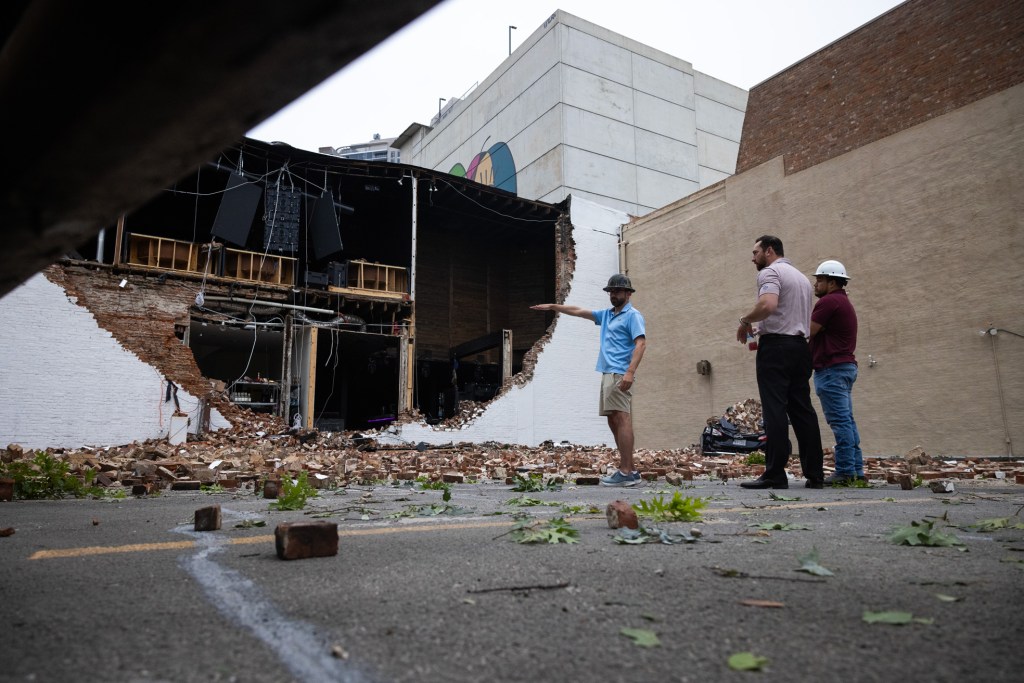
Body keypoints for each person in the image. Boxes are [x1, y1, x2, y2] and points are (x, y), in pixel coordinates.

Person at [531, 274, 647, 487]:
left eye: (617, 291)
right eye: (611, 291)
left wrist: (630, 372)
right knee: (613, 419)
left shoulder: (633, 316)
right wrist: (554, 307)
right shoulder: (608, 315)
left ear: (628, 294)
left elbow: (640, 344)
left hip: (619, 372)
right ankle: (628, 468)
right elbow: (578, 311)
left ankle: (627, 471)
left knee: (622, 418)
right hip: (608, 373)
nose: (613, 294)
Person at [735, 236, 824, 489]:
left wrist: (744, 320)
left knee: (774, 409)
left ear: (770, 251)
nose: (753, 258)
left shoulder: (770, 272)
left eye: (755, 252)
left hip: (776, 348)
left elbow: (768, 304)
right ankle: (815, 474)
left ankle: (775, 473)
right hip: (800, 347)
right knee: (802, 410)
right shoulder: (802, 279)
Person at [809, 259, 864, 485]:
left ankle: (845, 472)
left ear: (832, 282)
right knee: (847, 421)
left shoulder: (829, 302)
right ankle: (856, 470)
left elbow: (806, 332)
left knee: (840, 422)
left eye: (819, 280)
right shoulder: (842, 302)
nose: (815, 284)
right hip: (844, 368)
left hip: (831, 369)